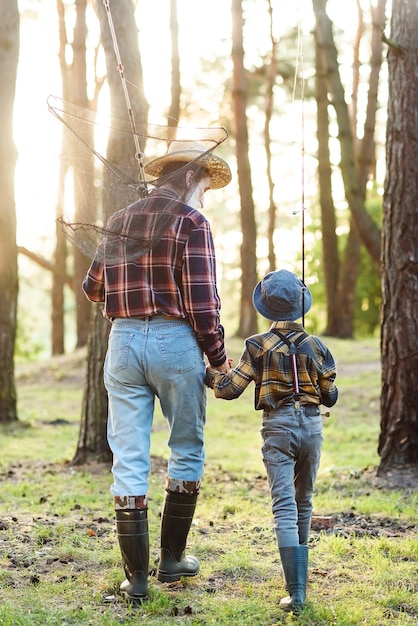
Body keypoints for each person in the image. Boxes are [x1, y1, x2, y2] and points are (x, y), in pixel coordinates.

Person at [82, 141, 231, 603]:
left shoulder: (119, 220)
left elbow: (92, 287)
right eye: (204, 187)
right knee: (186, 446)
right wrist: (220, 361)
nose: (204, 198)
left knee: (128, 457)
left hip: (123, 342)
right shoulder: (192, 223)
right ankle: (171, 560)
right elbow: (203, 304)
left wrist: (130, 296)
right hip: (175, 341)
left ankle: (137, 580)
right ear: (189, 177)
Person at [205, 269, 338, 613]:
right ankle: (301, 584)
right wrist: (325, 380)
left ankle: (295, 592)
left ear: (266, 308)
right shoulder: (316, 346)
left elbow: (228, 390)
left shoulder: (256, 345)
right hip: (311, 427)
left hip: (277, 427)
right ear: (300, 306)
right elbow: (329, 397)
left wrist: (210, 374)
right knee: (304, 500)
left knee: (284, 505)